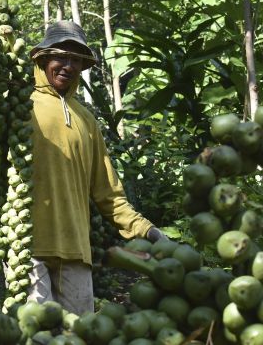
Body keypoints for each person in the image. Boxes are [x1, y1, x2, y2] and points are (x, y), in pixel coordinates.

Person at [27, 20, 166, 315]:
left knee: (81, 334)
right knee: (32, 334)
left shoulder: (86, 120)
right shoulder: (21, 103)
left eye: (75, 59)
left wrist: (149, 231)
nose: (68, 65)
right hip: (27, 245)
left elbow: (109, 194)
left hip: (76, 250)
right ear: (42, 58)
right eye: (60, 56)